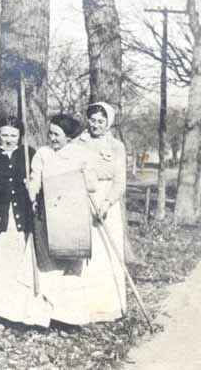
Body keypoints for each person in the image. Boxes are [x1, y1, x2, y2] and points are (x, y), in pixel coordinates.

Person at [0, 116, 51, 327]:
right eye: (4, 135)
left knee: (18, 265)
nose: (8, 139)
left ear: (20, 135)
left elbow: (39, 183)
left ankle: (16, 313)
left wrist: (31, 187)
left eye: (13, 135)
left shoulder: (28, 154)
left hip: (21, 220)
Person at [26, 113, 101, 325]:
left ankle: (69, 317)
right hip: (47, 214)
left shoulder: (80, 154)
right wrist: (32, 193)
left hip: (72, 216)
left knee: (71, 266)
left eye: (57, 134)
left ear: (68, 136)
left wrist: (83, 174)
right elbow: (35, 179)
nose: (52, 138)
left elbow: (92, 184)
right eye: (50, 133)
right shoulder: (43, 153)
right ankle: (44, 315)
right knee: (48, 265)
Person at [73, 102, 128, 322]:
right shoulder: (78, 143)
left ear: (108, 122)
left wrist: (106, 204)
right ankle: (85, 307)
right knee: (88, 254)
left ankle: (110, 307)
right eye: (93, 120)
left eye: (101, 121)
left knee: (107, 254)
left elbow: (120, 181)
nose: (96, 125)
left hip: (107, 204)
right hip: (84, 199)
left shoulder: (116, 146)